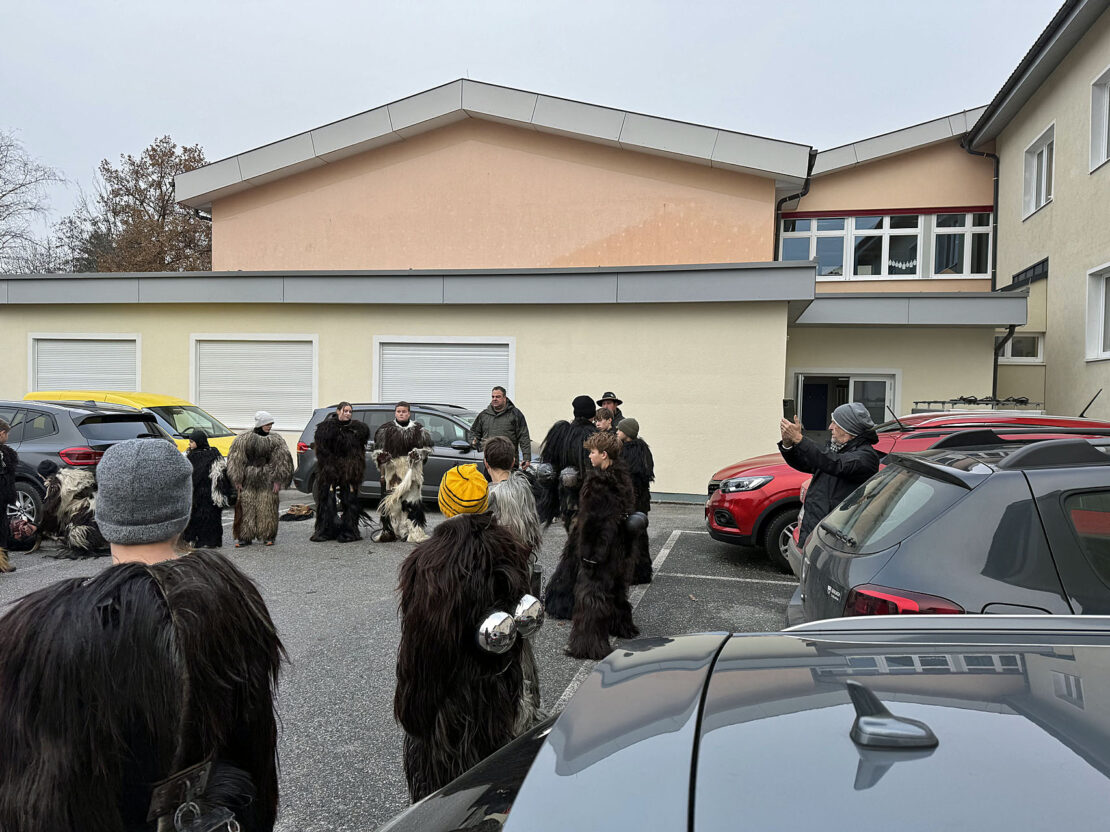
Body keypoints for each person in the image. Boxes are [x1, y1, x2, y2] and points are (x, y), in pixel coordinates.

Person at [0, 438, 285, 832]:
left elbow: (28, 780)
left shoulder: (44, 627)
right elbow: (251, 746)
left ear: (103, 514)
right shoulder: (233, 599)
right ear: (184, 510)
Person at [395, 463, 544, 802]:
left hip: (448, 708)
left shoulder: (429, 561)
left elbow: (423, 646)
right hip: (500, 693)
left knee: (445, 798)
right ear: (484, 502)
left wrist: (414, 708)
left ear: (445, 505)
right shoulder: (510, 550)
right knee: (492, 787)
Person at [558, 430, 638, 660]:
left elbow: (595, 523)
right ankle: (620, 625)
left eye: (592, 452)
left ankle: (589, 645)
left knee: (591, 594)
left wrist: (590, 555)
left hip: (601, 549)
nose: (589, 456)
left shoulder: (598, 482)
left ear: (604, 454)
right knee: (615, 590)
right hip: (620, 547)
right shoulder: (621, 477)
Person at [778, 402, 882, 546]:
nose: (830, 427)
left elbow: (835, 463)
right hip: (813, 529)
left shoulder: (866, 457)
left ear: (848, 429)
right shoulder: (836, 448)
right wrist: (788, 444)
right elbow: (807, 463)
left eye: (835, 423)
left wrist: (799, 439)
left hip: (834, 538)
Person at [227, 411, 294, 547]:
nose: (269, 426)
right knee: (247, 507)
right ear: (260, 424)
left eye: (271, 424)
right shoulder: (243, 439)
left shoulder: (276, 440)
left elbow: (282, 460)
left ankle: (268, 535)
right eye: (267, 423)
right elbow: (236, 459)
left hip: (267, 478)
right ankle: (245, 536)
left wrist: (278, 479)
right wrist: (237, 479)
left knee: (267, 507)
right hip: (248, 479)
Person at [372, 402, 434, 543]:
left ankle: (411, 531)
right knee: (393, 503)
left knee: (411, 502)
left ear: (409, 413)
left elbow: (427, 451)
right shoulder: (385, 430)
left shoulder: (419, 430)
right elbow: (376, 453)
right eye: (399, 411)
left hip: (412, 472)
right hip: (392, 472)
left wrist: (418, 454)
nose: (401, 413)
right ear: (395, 413)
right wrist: (381, 457)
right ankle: (391, 531)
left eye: (404, 411)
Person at [310, 401, 370, 543]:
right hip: (330, 469)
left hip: (349, 470)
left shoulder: (357, 429)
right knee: (327, 499)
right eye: (345, 411)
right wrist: (331, 466)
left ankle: (349, 530)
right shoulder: (326, 429)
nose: (348, 413)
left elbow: (358, 452)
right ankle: (326, 529)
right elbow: (322, 450)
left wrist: (352, 467)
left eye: (350, 411)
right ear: (338, 411)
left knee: (349, 500)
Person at [536, 395, 597, 533]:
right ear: (592, 414)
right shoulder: (595, 436)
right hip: (590, 500)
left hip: (566, 500)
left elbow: (550, 467)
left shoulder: (562, 433)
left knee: (573, 536)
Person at [36, 458, 108, 558]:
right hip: (102, 511)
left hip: (86, 518)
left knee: (74, 534)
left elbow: (49, 513)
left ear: (44, 475)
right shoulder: (74, 473)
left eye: (41, 477)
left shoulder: (55, 486)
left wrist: (40, 528)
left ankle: (91, 543)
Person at [617, 418, 655, 584]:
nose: (617, 432)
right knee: (640, 534)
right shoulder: (643, 450)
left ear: (628, 433)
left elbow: (626, 477)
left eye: (620, 430)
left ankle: (632, 572)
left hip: (631, 500)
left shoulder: (627, 452)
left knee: (629, 536)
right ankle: (642, 571)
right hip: (641, 500)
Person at [182, 429, 234, 549]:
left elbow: (219, 472)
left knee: (210, 518)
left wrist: (220, 491)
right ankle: (194, 539)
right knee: (195, 517)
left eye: (192, 441)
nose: (190, 444)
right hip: (195, 493)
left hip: (209, 493)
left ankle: (211, 540)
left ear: (199, 441)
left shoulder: (212, 454)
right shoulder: (190, 455)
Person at [469, 386, 532, 467]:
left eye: (498, 397)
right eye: (493, 397)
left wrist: (526, 458)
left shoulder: (515, 414)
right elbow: (474, 432)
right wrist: (474, 442)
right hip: (490, 463)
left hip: (509, 463)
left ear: (504, 398)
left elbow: (524, 436)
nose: (494, 399)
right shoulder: (484, 415)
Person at [0, 419, 16, 572]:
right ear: (2, 433)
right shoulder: (4, 453)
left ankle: (2, 562)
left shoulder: (5, 453)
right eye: (7, 434)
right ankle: (2, 563)